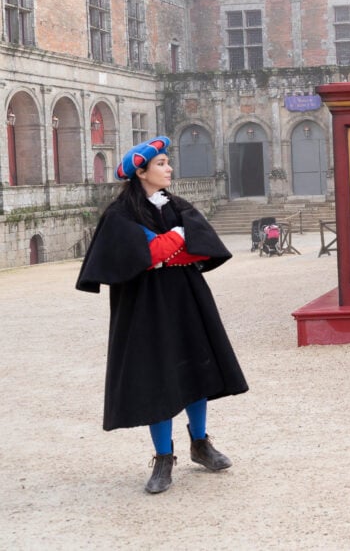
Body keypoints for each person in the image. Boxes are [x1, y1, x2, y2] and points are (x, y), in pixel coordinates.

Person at [76, 136, 247, 494]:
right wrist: (173, 241)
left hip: (186, 298)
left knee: (196, 367)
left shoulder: (178, 205)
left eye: (168, 162)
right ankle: (163, 458)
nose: (169, 169)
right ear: (141, 171)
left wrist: (162, 249)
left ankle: (200, 444)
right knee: (157, 375)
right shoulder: (119, 215)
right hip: (145, 307)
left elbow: (200, 250)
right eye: (161, 164)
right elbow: (144, 256)